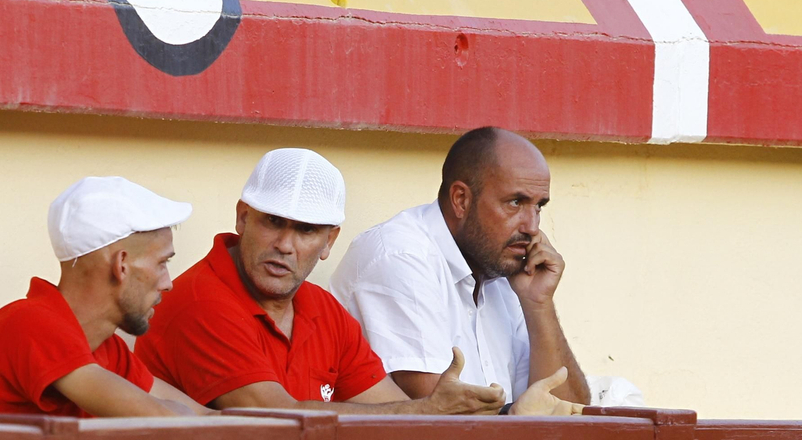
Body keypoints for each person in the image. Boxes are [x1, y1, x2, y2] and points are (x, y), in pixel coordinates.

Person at [135, 148, 581, 414]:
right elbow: (279, 420)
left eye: (306, 230)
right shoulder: (203, 300)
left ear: (329, 242)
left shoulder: (321, 309)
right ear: (242, 219)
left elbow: (389, 411)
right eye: (273, 222)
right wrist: (428, 413)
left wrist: (498, 415)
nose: (285, 245)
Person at [332, 127, 643, 410]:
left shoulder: (502, 267)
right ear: (461, 200)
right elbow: (441, 417)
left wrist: (539, 304)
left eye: (538, 206)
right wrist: (520, 416)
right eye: (515, 203)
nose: (532, 226)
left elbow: (569, 412)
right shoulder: (401, 256)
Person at [0, 176, 210, 420]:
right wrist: (182, 413)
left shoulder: (108, 350)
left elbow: (202, 417)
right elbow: (162, 419)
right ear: (121, 265)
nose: (168, 284)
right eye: (162, 263)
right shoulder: (30, 323)